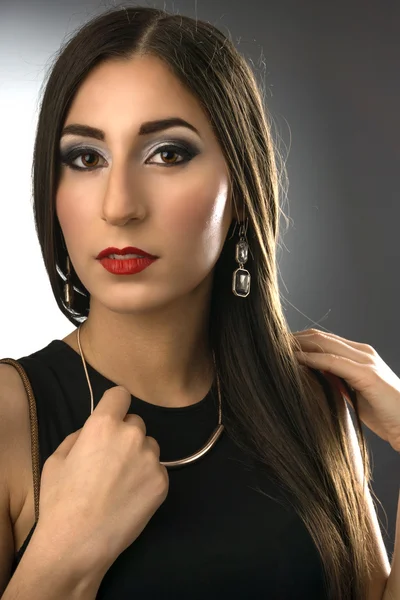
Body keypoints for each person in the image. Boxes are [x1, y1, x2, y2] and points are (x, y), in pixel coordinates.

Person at [0, 6, 389, 599]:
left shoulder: (310, 403)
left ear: (239, 185)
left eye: (166, 154)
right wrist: (63, 554)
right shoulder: (9, 419)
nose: (119, 205)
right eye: (85, 158)